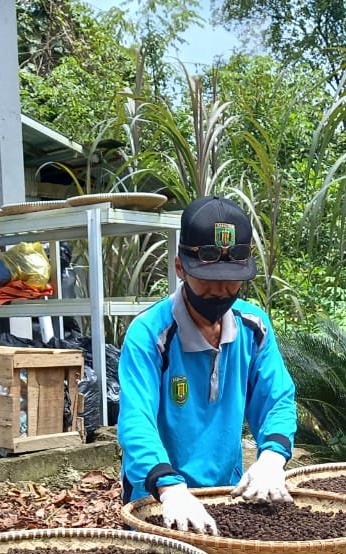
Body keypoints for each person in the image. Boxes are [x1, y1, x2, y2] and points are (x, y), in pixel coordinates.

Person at [117, 195, 297, 535]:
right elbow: (135, 421)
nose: (219, 290)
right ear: (180, 267)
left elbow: (277, 398)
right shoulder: (149, 334)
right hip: (159, 499)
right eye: (207, 278)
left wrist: (272, 458)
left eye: (231, 279)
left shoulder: (253, 327)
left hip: (225, 496)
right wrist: (170, 489)